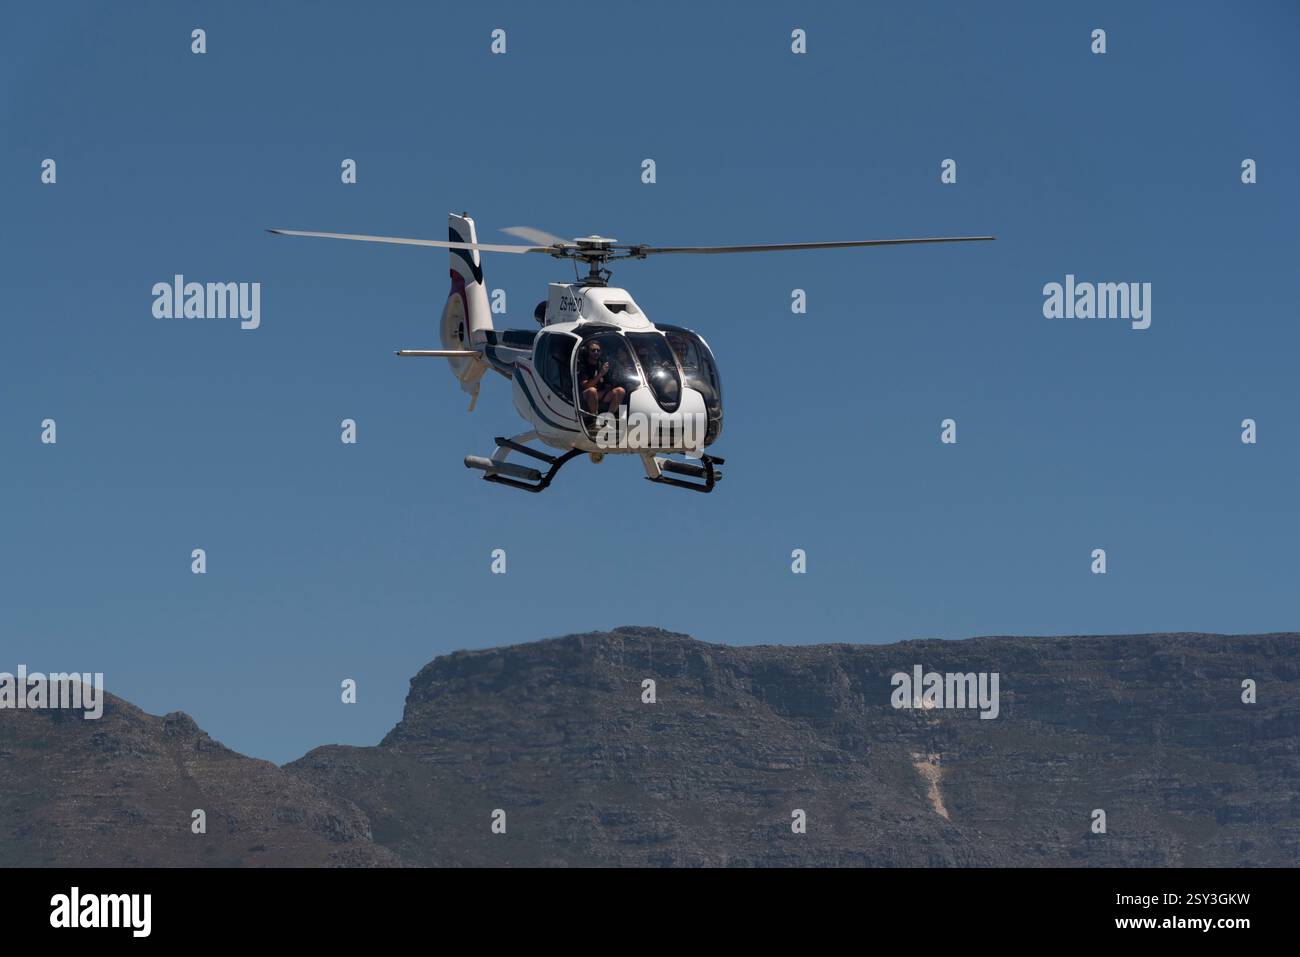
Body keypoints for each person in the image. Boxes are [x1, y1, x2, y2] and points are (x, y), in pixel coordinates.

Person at [577, 339, 626, 420]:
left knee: (620, 391)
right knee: (592, 390)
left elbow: (607, 385)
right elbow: (586, 386)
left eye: (598, 350)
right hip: (586, 396)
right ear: (588, 352)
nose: (596, 352)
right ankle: (595, 419)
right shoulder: (583, 366)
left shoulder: (601, 364)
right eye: (593, 350)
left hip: (600, 394)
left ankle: (609, 418)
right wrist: (600, 374)